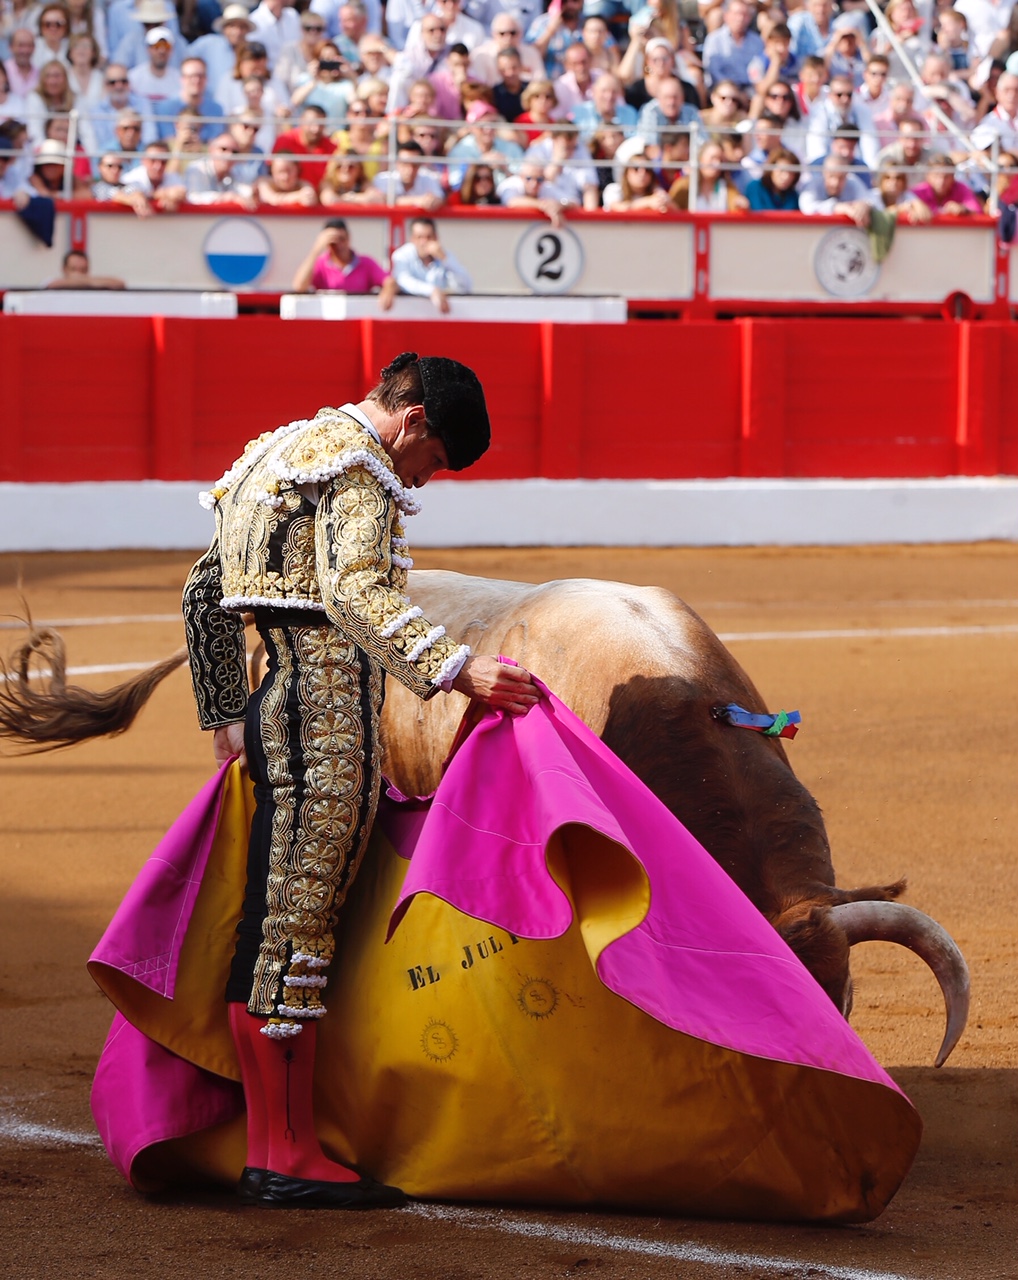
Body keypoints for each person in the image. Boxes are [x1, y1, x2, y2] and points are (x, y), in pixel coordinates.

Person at [181, 353, 538, 1211]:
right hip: (331, 719)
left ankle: (278, 1145)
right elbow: (355, 591)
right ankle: (287, 1155)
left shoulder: (275, 453)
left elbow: (203, 591)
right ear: (414, 423)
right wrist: (459, 671)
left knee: (275, 922)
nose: (425, 479)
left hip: (279, 705)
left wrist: (229, 710)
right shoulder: (359, 469)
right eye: (436, 461)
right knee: (298, 926)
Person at [291, 217, 397, 303]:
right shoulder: (320, 264)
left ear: (348, 238)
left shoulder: (366, 263)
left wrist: (387, 293)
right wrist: (316, 249)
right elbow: (299, 287)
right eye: (333, 241)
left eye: (342, 239)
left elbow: (389, 282)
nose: (339, 245)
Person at [390, 215, 471, 312]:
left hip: (440, 318)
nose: (424, 242)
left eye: (429, 237)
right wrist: (431, 291)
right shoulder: (402, 255)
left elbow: (465, 286)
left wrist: (445, 259)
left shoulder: (444, 256)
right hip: (409, 315)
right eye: (419, 237)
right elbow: (403, 280)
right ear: (412, 239)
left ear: (436, 238)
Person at [46, 247, 125, 287]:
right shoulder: (52, 282)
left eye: (82, 270)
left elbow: (119, 283)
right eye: (73, 269)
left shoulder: (91, 284)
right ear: (64, 269)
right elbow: (52, 285)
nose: (78, 273)